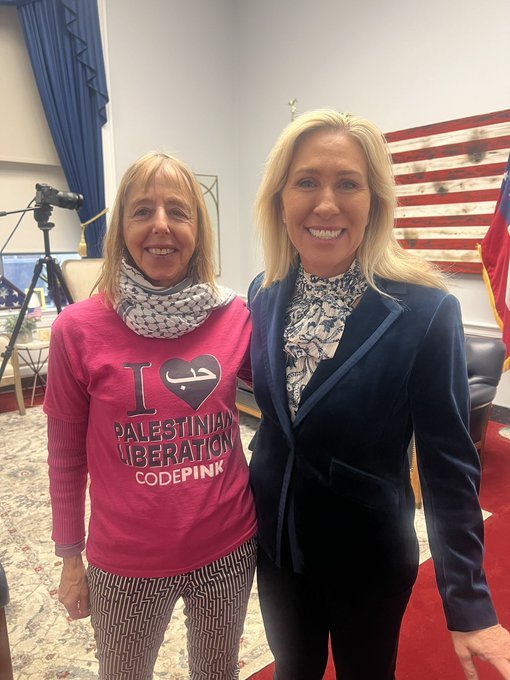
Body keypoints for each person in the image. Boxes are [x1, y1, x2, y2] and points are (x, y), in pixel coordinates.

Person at [247, 109, 510, 680]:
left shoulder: (425, 309)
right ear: (279, 198)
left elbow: (448, 465)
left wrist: (468, 604)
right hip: (277, 549)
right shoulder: (263, 293)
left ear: (374, 202)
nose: (326, 204)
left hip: (366, 557)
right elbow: (278, 423)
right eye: (306, 181)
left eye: (348, 183)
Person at [44, 151, 257, 679]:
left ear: (197, 230)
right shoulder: (77, 329)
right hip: (126, 561)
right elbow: (66, 456)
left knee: (217, 672)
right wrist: (71, 557)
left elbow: (290, 396)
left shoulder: (236, 316)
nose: (160, 225)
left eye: (177, 211)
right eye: (142, 211)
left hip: (227, 548)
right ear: (121, 230)